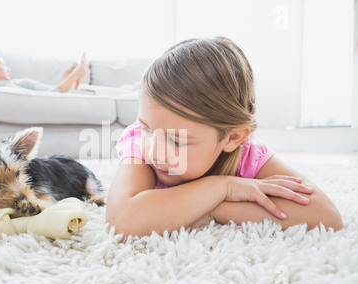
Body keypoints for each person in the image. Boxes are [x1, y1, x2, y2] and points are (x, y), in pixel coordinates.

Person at [106, 37, 342, 238]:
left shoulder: (247, 155)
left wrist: (215, 209)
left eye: (176, 141)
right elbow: (120, 222)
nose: (154, 151)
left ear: (232, 138)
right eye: (147, 128)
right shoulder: (140, 146)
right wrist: (222, 187)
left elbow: (326, 216)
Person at [0, 51, 87, 93]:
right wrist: (75, 75)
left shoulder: (9, 87)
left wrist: (66, 76)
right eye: (2, 65)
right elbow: (52, 97)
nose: (8, 69)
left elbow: (51, 94)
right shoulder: (3, 88)